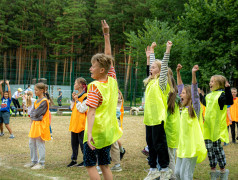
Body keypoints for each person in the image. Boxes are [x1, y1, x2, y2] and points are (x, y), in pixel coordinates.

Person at [83, 20, 123, 180]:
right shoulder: (112, 80)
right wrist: (106, 34)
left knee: (90, 165)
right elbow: (108, 59)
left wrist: (90, 133)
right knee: (104, 165)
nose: (90, 68)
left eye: (93, 66)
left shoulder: (94, 87)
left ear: (101, 70)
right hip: (108, 132)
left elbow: (91, 113)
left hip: (97, 132)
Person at [143, 41, 173, 180]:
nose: (151, 68)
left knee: (159, 143)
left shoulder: (161, 82)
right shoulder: (150, 81)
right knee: (150, 144)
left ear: (160, 71)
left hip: (158, 117)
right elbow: (151, 67)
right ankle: (153, 169)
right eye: (151, 67)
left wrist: (167, 49)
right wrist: (150, 55)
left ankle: (165, 169)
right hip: (149, 118)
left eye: (154, 67)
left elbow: (164, 65)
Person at [174, 64, 207, 180]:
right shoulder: (182, 109)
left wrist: (193, 73)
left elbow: (194, 91)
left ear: (189, 95)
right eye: (180, 93)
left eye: (183, 93)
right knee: (177, 173)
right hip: (182, 147)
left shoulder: (195, 109)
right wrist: (178, 72)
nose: (180, 94)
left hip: (192, 148)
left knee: (185, 175)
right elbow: (179, 86)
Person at [200, 75, 233, 180]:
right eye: (210, 81)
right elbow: (205, 103)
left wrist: (227, 89)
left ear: (219, 84)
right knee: (209, 149)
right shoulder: (209, 96)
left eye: (213, 81)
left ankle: (223, 171)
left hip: (217, 129)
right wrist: (200, 95)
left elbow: (229, 102)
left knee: (217, 149)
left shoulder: (221, 95)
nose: (210, 83)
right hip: (208, 128)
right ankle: (213, 170)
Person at [24, 83, 51, 170]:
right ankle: (34, 161)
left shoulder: (44, 101)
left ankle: (41, 163)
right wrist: (33, 115)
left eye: (36, 90)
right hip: (35, 125)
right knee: (31, 143)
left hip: (41, 125)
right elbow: (32, 113)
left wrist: (33, 115)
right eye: (34, 90)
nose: (34, 91)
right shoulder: (36, 101)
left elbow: (36, 113)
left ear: (42, 90)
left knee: (40, 144)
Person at [67, 77, 88, 167]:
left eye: (75, 83)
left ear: (80, 85)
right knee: (74, 143)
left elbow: (82, 109)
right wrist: (74, 99)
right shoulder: (77, 96)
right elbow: (72, 108)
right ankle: (74, 159)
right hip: (75, 123)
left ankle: (86, 159)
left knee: (82, 143)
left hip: (82, 124)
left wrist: (77, 100)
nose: (74, 84)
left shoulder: (86, 96)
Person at [164, 68, 180, 180]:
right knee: (171, 155)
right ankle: (171, 175)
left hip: (169, 130)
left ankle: (173, 177)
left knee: (170, 156)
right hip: (173, 130)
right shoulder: (175, 97)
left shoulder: (171, 98)